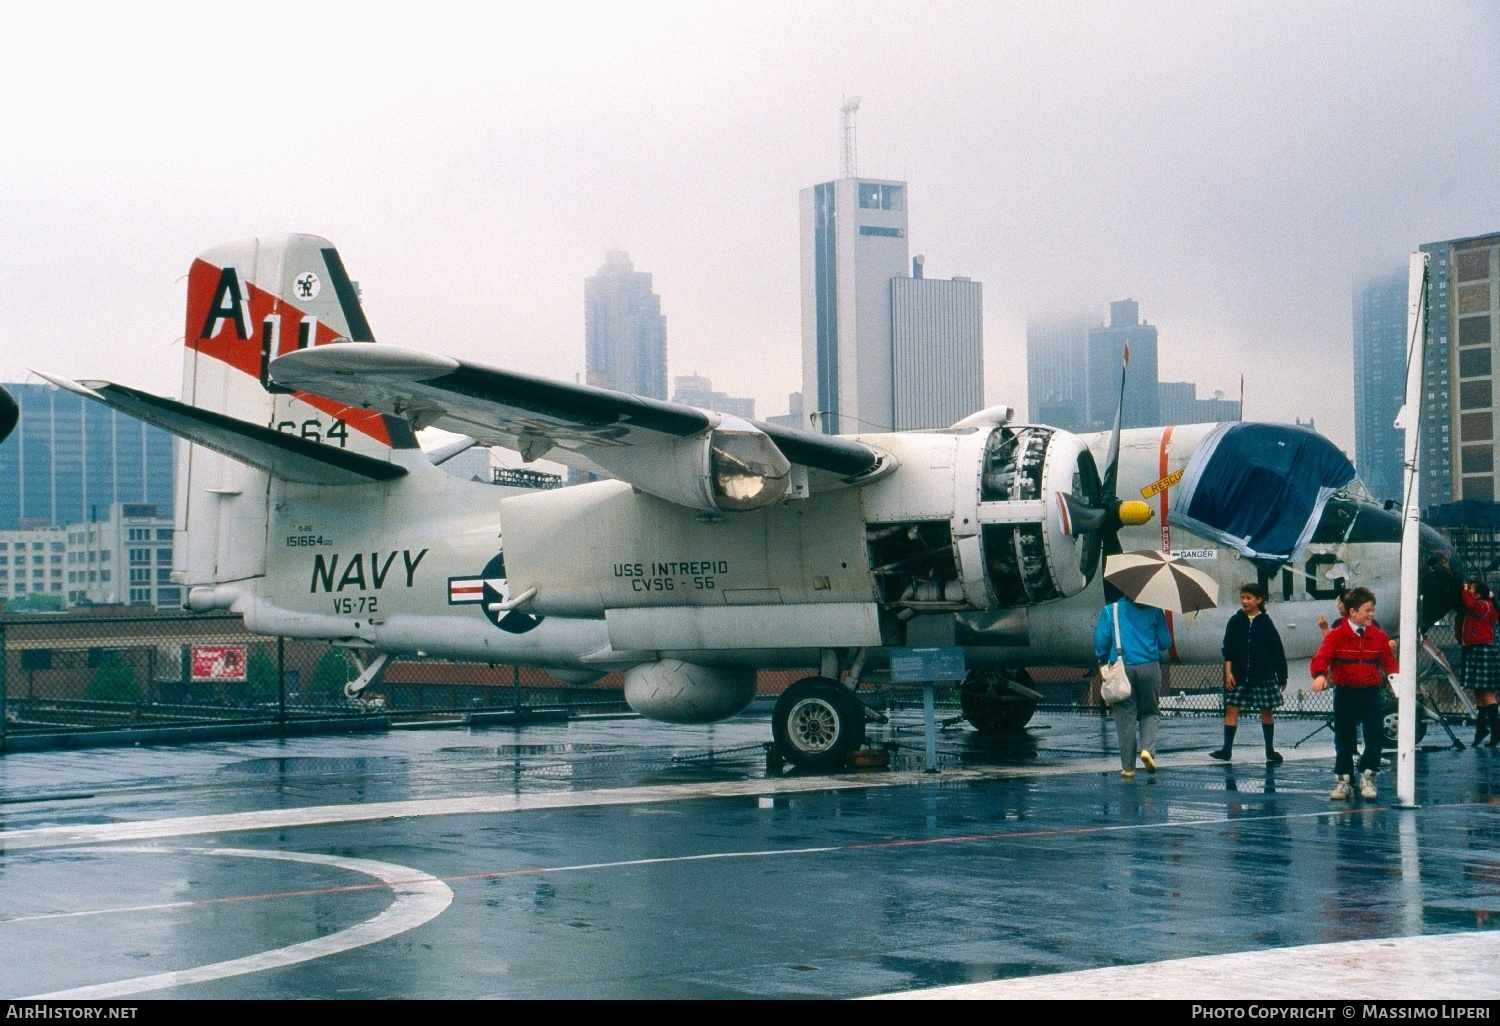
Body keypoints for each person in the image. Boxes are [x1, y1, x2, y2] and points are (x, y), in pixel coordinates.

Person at [1310, 586, 1398, 801]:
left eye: (1372, 609)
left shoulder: (1378, 636)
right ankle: (1344, 782)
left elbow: (1390, 665)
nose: (1371, 614)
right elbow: (1321, 658)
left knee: (1375, 735)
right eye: (1367, 610)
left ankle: (1368, 776)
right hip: (1345, 693)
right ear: (1353, 612)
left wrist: (1400, 685)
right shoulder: (1336, 635)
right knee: (1344, 738)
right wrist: (1320, 675)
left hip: (1370, 693)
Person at [1095, 594, 1173, 779]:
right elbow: (1165, 642)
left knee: (1125, 718)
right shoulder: (1155, 611)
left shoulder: (1111, 610)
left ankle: (1128, 768)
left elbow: (1101, 643)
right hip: (1150, 667)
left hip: (1123, 668)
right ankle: (1147, 750)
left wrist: (1102, 658)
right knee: (1150, 712)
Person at [1211, 582, 1289, 763]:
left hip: (1263, 675)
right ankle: (1226, 749)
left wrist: (1282, 676)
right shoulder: (1235, 621)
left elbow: (1277, 651)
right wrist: (1228, 673)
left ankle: (1270, 750)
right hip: (1239, 674)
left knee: (1266, 711)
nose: (1245, 601)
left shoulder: (1266, 623)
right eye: (1243, 597)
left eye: (1249, 598)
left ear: (1258, 600)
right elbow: (1228, 650)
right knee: (1231, 708)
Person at [1456, 579, 1500, 747]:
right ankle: (1482, 729)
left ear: (1478, 594)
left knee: (1487, 694)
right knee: (1479, 694)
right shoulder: (1485, 605)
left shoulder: (1483, 605)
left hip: (1482, 649)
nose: (1467, 592)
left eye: (1470, 590)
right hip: (1475, 649)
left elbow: (1471, 605)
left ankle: (1496, 731)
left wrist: (1464, 589)